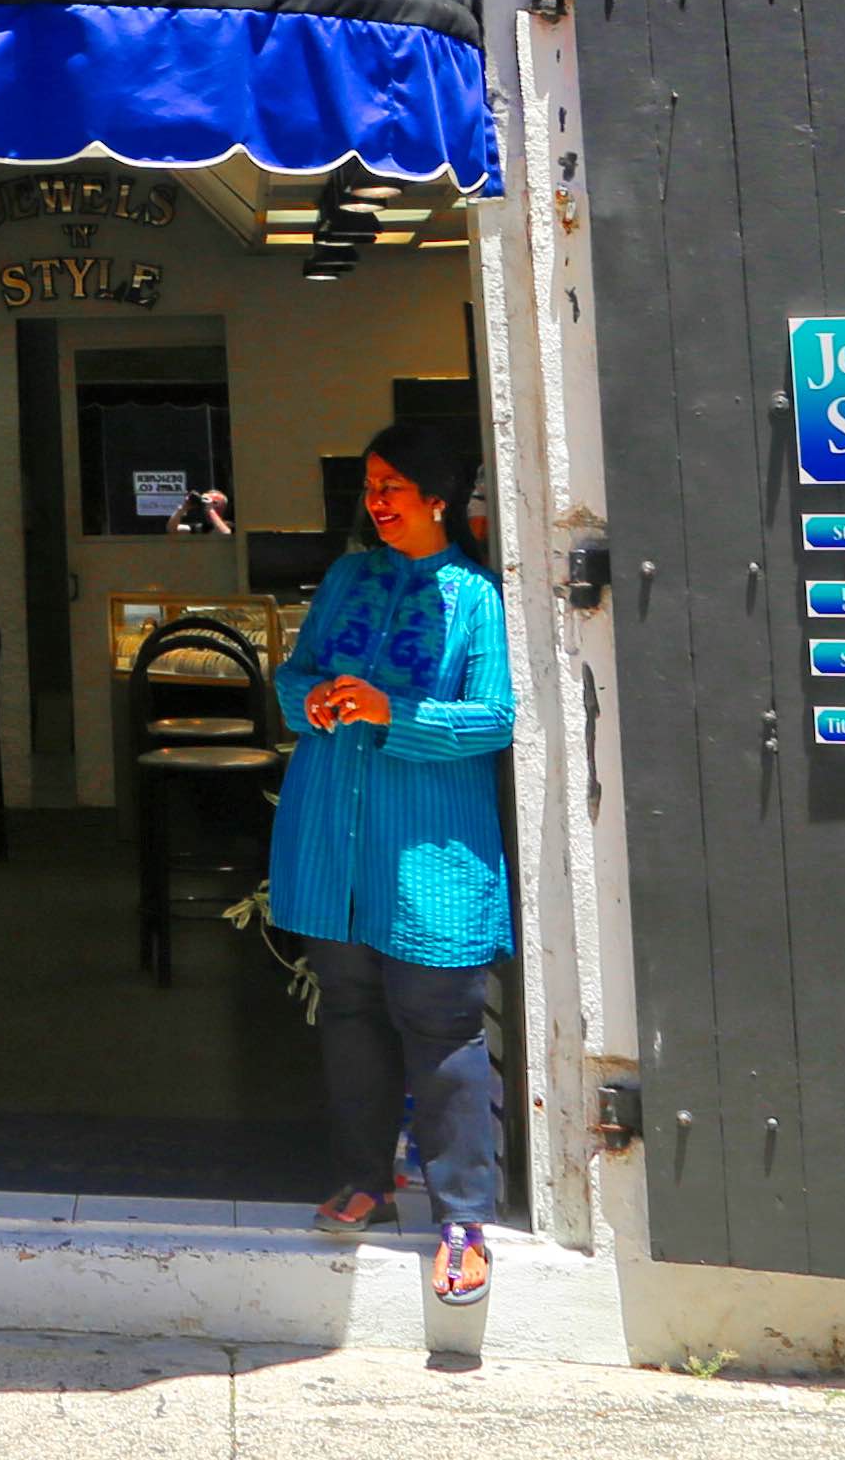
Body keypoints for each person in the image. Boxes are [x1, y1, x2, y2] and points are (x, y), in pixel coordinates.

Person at [267, 413, 519, 1299]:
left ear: (437, 497)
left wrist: (393, 713)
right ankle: (366, 1181)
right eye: (369, 488)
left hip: (429, 850)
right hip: (332, 835)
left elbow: (494, 719)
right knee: (347, 1009)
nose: (374, 503)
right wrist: (319, 701)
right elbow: (291, 675)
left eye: (391, 488)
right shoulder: (346, 576)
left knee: (442, 1023)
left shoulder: (478, 598)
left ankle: (463, 1218)